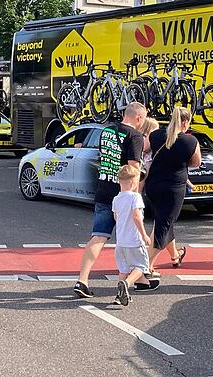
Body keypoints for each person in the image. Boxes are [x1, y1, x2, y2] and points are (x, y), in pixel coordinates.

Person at [73, 102, 146, 299]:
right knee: (131, 238)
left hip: (103, 191)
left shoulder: (105, 131)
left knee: (98, 236)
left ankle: (82, 279)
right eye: (143, 120)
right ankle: (135, 277)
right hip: (123, 194)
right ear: (138, 118)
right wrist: (136, 194)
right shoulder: (135, 136)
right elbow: (133, 168)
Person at [145, 107, 201, 273]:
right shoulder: (190, 141)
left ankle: (175, 256)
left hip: (154, 185)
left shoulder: (155, 135)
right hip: (174, 187)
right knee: (163, 224)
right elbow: (196, 163)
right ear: (185, 122)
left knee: (163, 220)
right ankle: (145, 266)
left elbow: (144, 149)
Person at [111, 165, 152, 306]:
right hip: (134, 240)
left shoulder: (116, 199)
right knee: (140, 266)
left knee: (123, 268)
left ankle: (119, 295)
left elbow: (116, 217)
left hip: (120, 241)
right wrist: (144, 235)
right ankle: (126, 284)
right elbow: (136, 216)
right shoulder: (136, 197)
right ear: (134, 182)